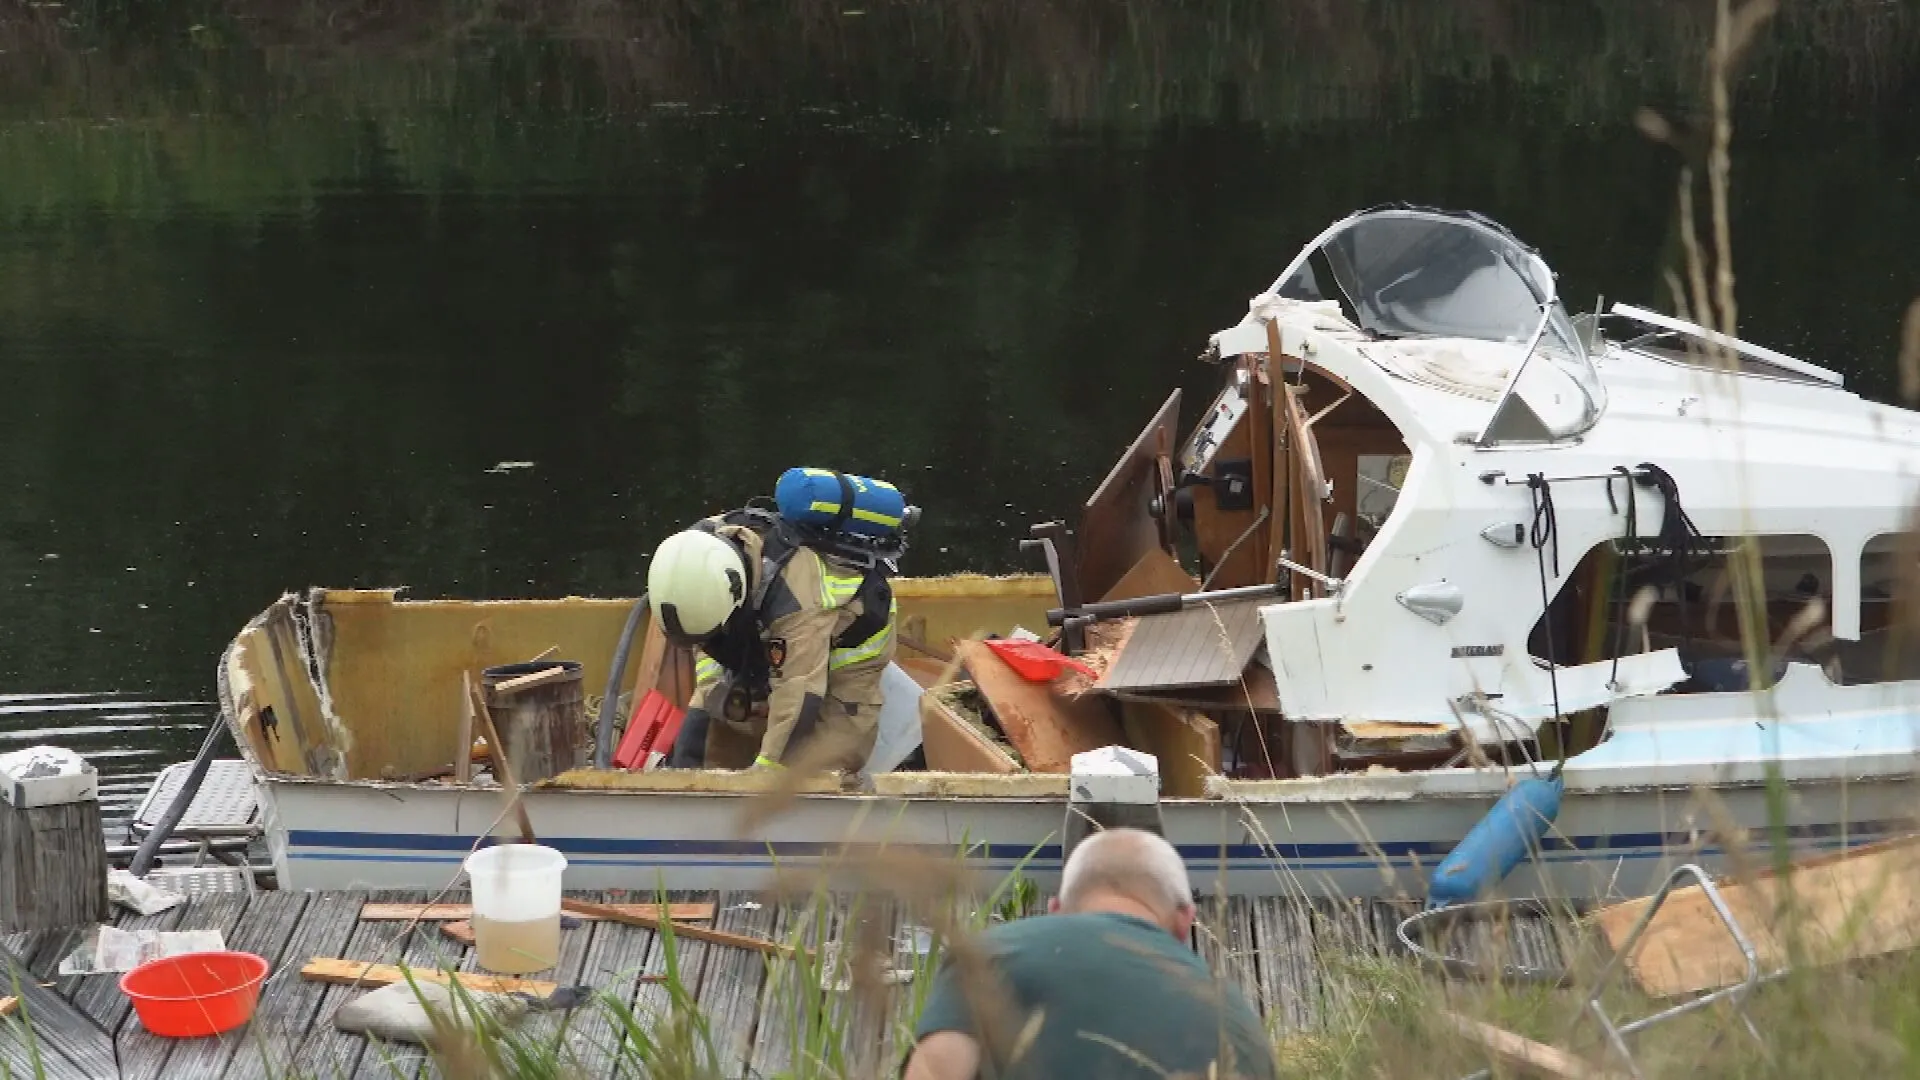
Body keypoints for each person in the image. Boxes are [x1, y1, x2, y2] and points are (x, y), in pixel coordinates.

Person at [904, 827, 1278, 1080]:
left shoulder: (993, 955)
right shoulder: (1236, 1020)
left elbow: (936, 1070)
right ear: (1185, 921)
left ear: (1056, 909)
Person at [645, 507, 896, 774]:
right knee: (728, 727)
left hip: (849, 647)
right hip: (780, 632)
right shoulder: (696, 556)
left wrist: (765, 773)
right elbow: (710, 663)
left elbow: (799, 693)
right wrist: (689, 755)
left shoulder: (793, 601)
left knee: (822, 762)